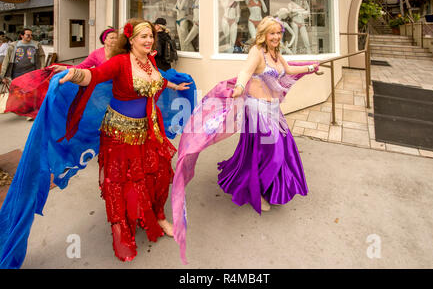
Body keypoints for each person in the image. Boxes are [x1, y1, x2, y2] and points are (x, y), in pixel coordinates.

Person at [170, 16, 320, 264]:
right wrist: (239, 87)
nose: (276, 38)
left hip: (273, 110)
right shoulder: (257, 52)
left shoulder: (276, 54)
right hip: (258, 109)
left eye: (279, 34)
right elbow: (245, 73)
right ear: (263, 34)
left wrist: (311, 68)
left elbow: (289, 69)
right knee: (272, 153)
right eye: (272, 34)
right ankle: (255, 192)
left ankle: (264, 185)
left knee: (279, 150)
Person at [57, 18, 191, 262]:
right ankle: (124, 228)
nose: (149, 40)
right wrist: (74, 73)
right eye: (143, 36)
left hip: (148, 129)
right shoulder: (120, 62)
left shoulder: (149, 60)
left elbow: (158, 79)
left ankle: (158, 216)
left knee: (159, 173)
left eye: (151, 36)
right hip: (119, 135)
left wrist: (173, 85)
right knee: (124, 182)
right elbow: (94, 76)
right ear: (131, 40)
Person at [4, 28, 119, 120]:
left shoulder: (122, 52)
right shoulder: (96, 54)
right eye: (112, 37)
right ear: (104, 39)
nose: (115, 40)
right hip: (101, 89)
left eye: (117, 38)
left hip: (118, 86)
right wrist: (63, 67)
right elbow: (81, 67)